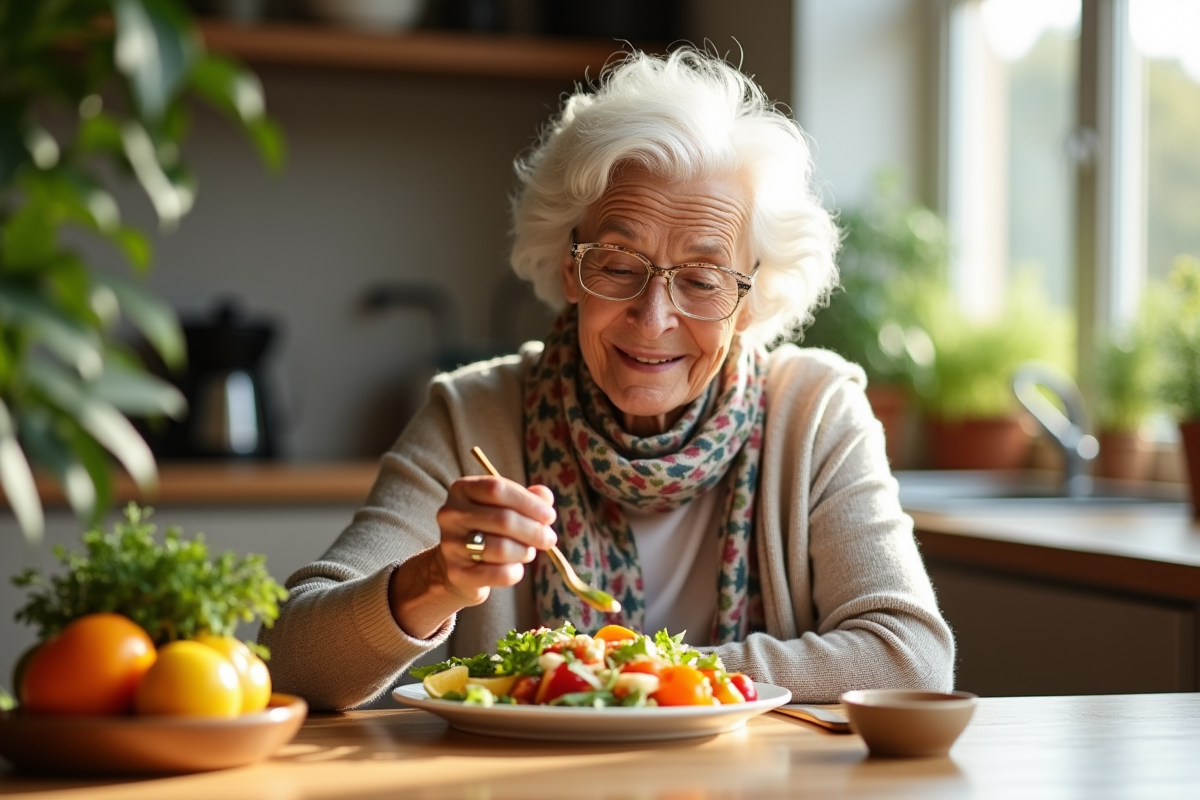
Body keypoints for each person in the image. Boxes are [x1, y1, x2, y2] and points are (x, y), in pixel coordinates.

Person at [261, 48, 954, 710]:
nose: (653, 320)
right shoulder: (474, 414)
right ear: (570, 267)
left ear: (749, 300)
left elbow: (910, 659)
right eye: (618, 266)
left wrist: (625, 675)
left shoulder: (816, 413)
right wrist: (431, 580)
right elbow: (291, 658)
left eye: (703, 279)